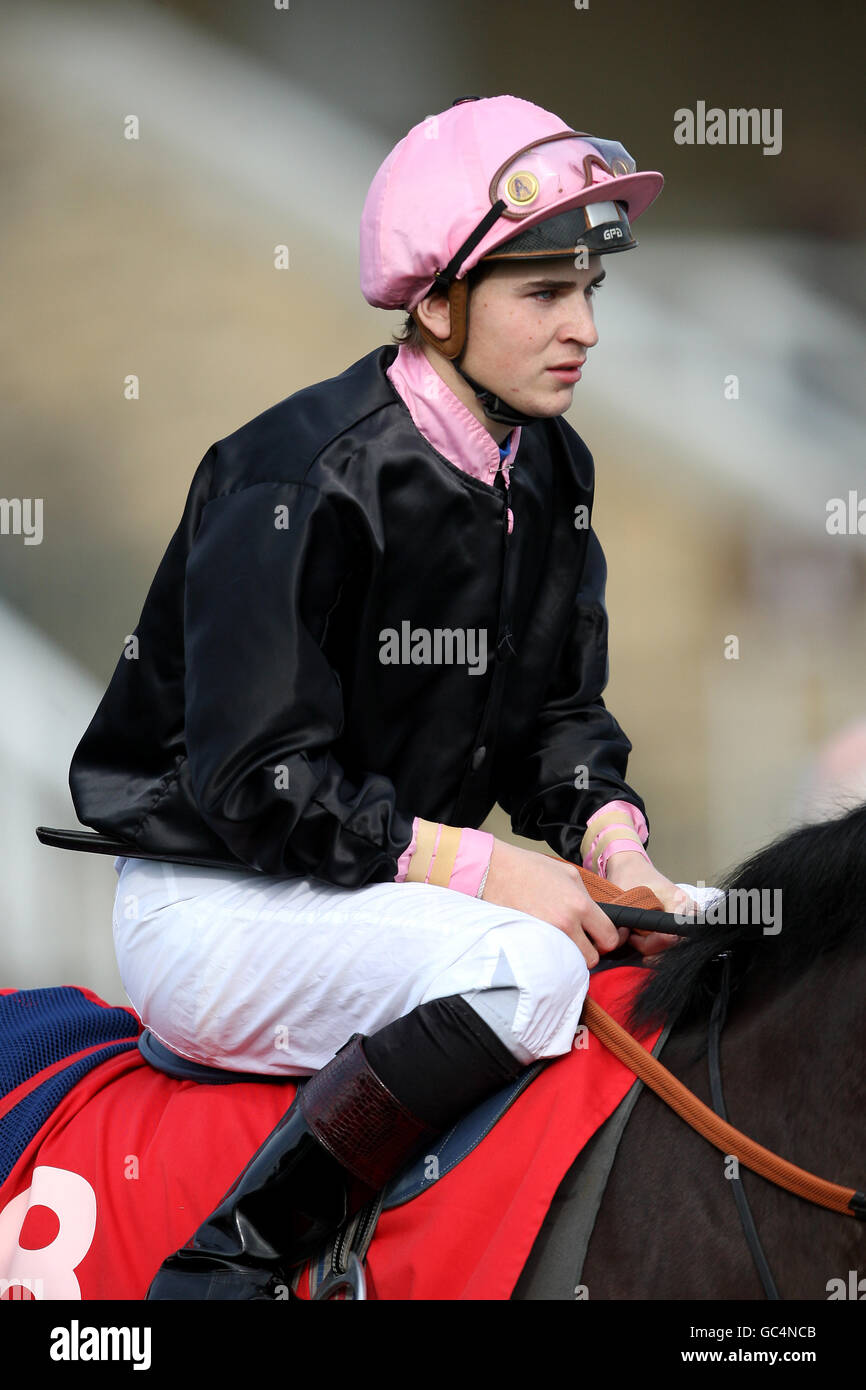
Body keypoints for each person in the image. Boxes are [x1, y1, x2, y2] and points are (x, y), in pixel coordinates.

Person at [67, 95, 696, 1299]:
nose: (582, 330)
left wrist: (614, 843)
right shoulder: (291, 471)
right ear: (434, 301)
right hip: (219, 900)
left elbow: (560, 725)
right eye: (541, 294)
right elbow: (259, 784)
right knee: (535, 971)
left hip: (371, 892)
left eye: (588, 293)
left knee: (689, 941)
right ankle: (231, 1257)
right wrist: (497, 870)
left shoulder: (549, 464)